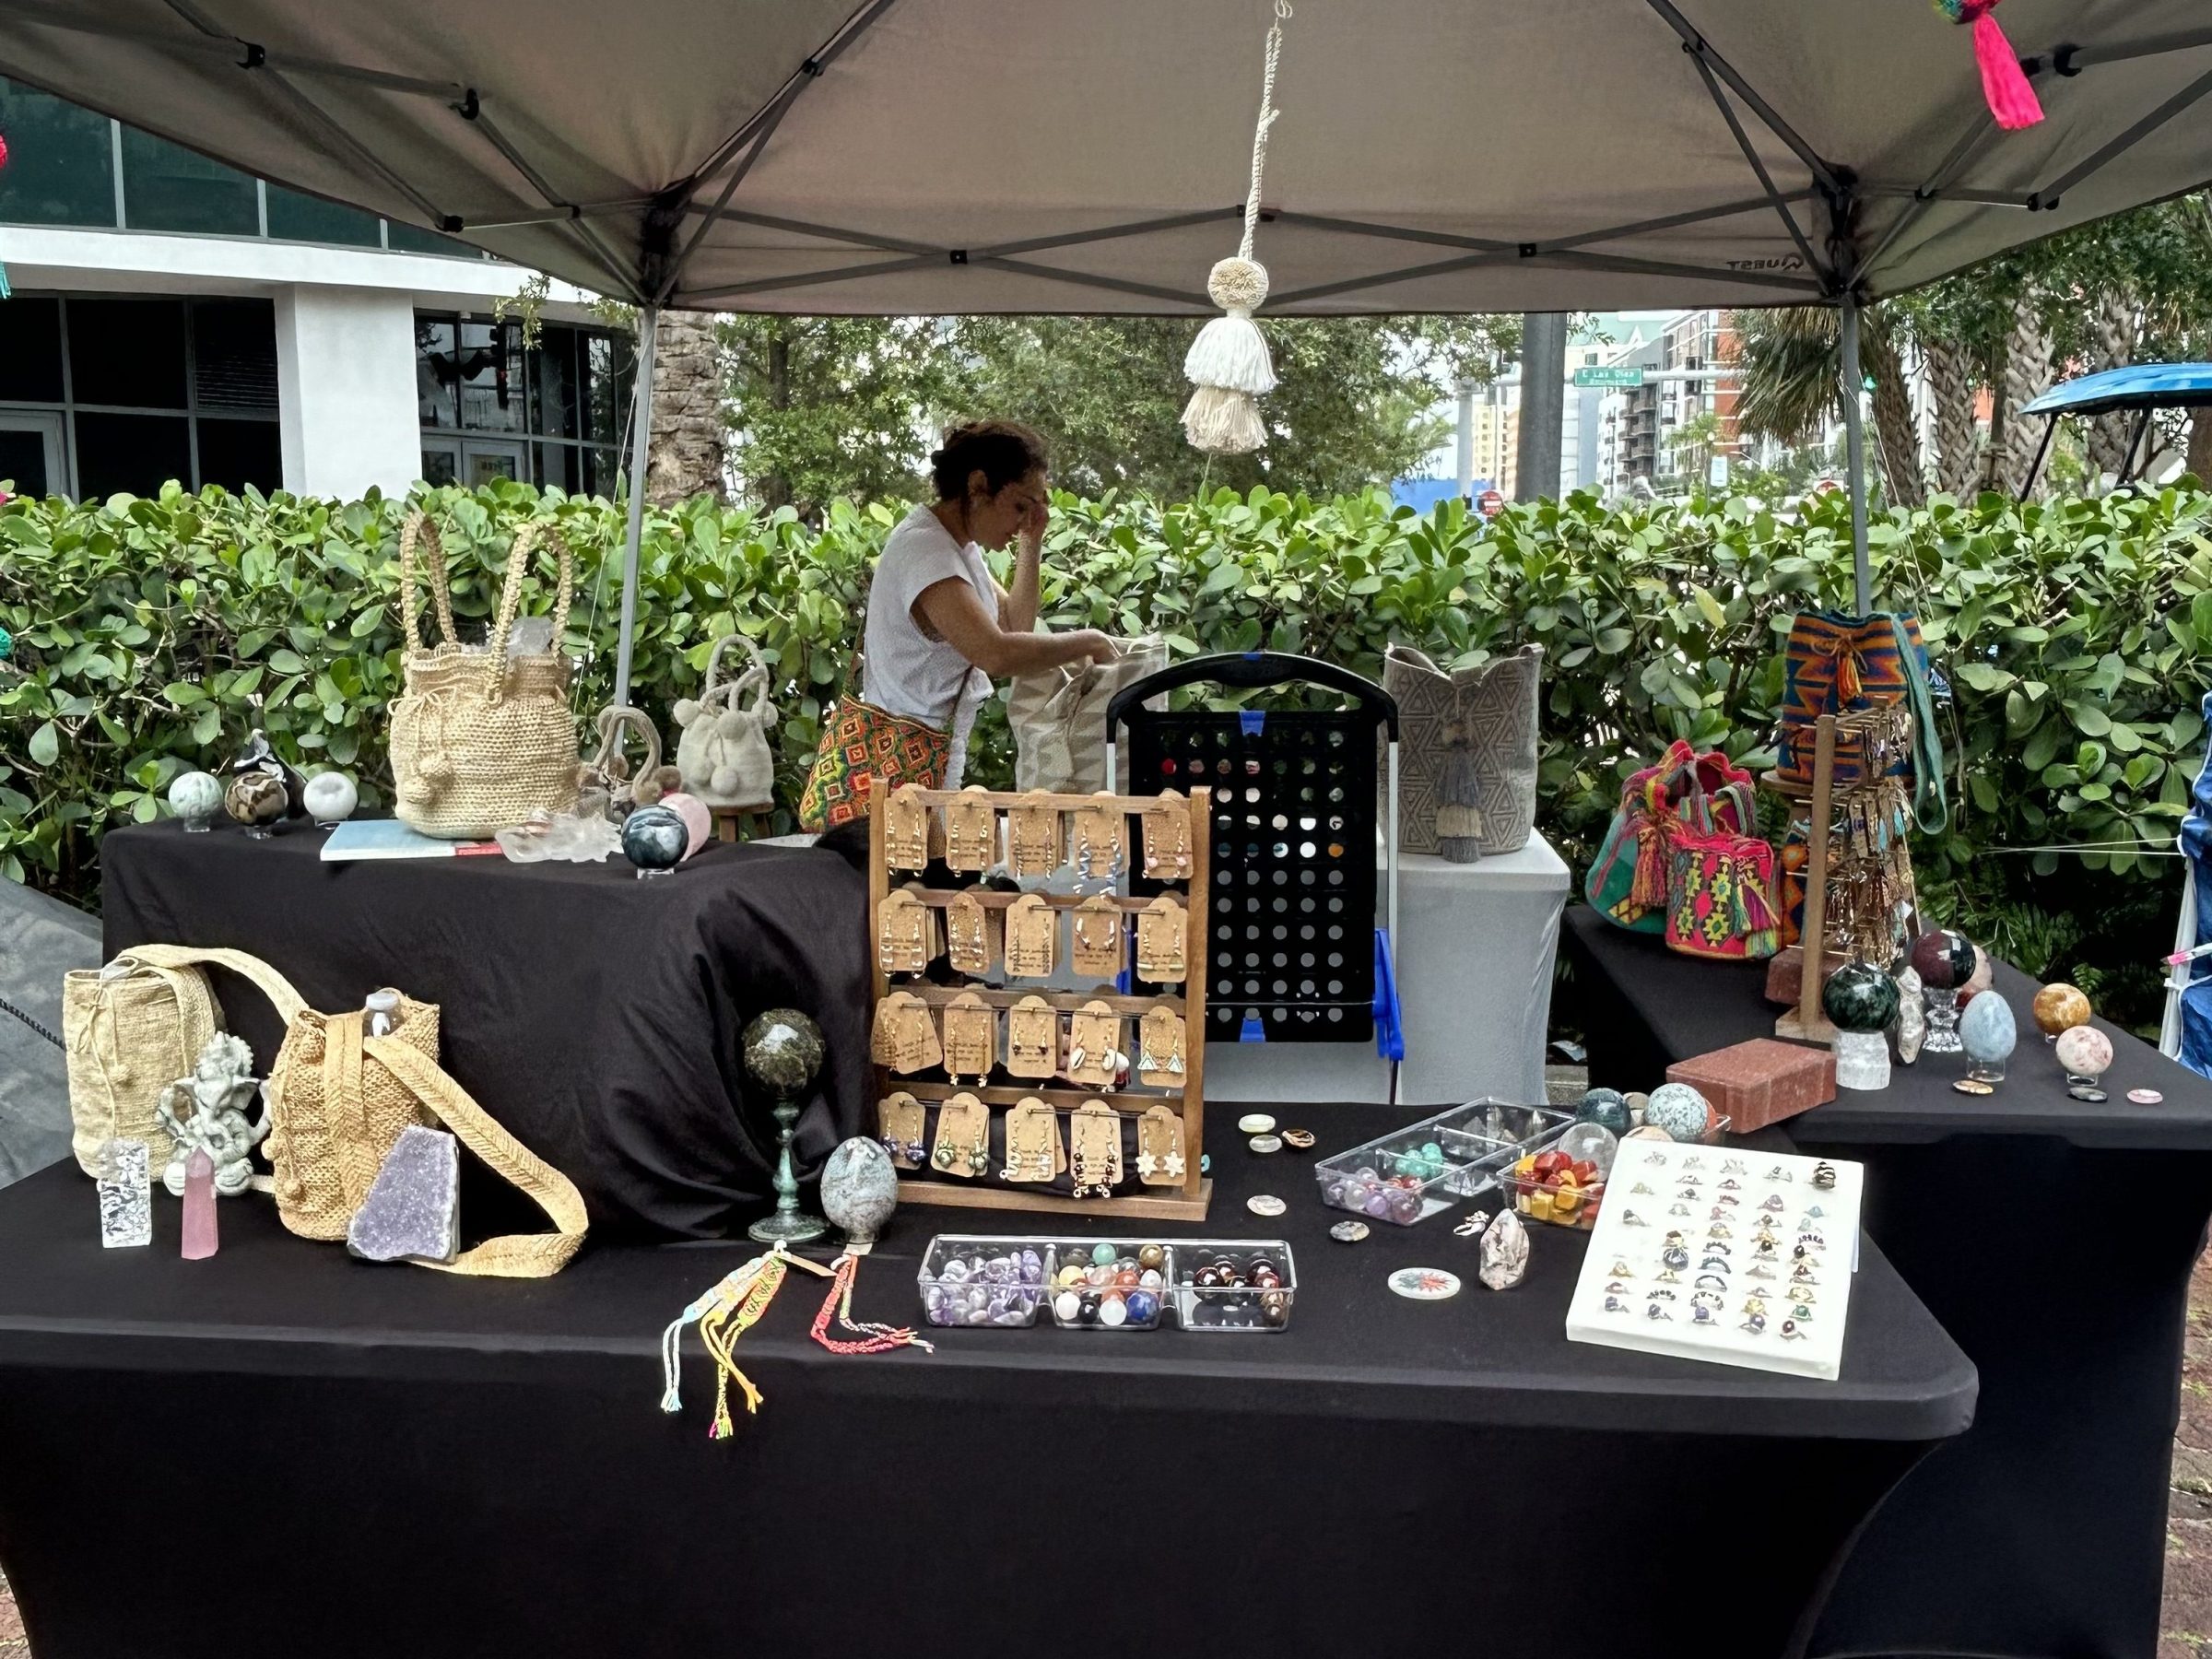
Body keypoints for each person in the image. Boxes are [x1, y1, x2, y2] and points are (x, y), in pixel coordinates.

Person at [862, 419, 1116, 787]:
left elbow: (1016, 627)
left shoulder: (957, 545)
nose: (1025, 519)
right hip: (902, 765)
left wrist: (1032, 540)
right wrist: (1090, 641)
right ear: (978, 486)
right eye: (1019, 505)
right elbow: (996, 654)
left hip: (927, 755)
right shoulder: (926, 551)